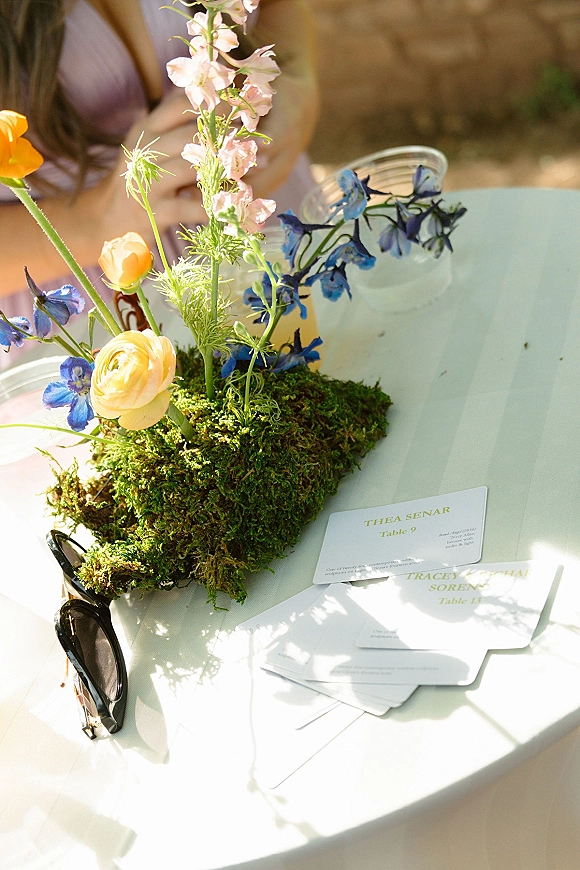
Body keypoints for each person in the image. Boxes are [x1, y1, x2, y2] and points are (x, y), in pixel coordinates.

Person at [0, 0, 320, 363]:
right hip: (101, 305)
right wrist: (98, 219)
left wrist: (294, 73)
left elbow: (276, 7)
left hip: (269, 230)